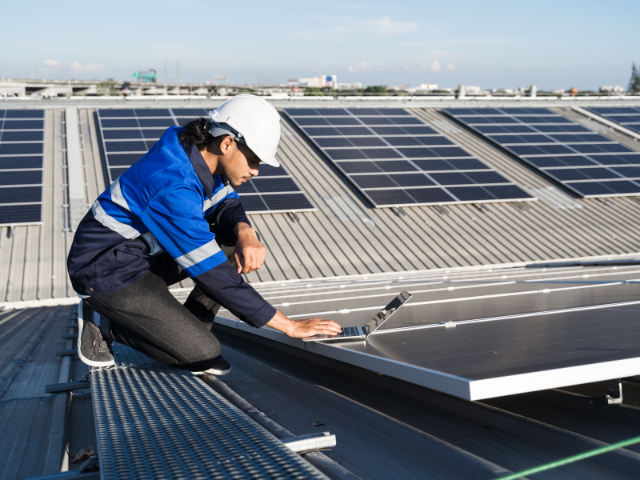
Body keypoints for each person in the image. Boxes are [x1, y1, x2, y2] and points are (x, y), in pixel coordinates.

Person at [67, 95, 342, 374]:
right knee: (203, 353)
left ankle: (186, 329)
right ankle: (106, 322)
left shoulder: (194, 149)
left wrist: (244, 230)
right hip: (106, 272)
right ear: (227, 143)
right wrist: (288, 325)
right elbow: (214, 274)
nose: (256, 171)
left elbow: (225, 201)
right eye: (253, 160)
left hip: (140, 255)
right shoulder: (172, 186)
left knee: (231, 241)